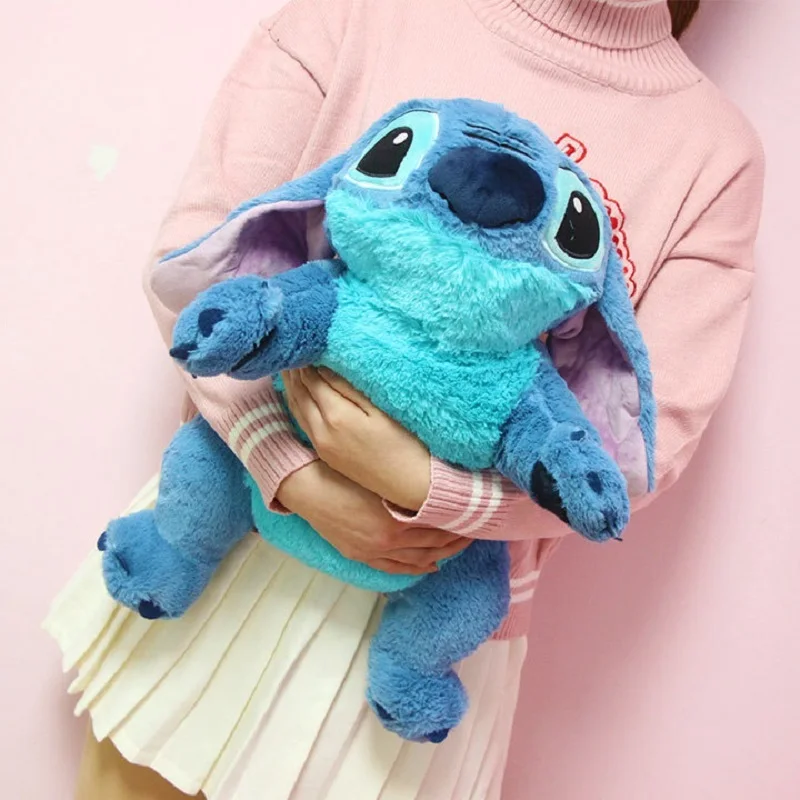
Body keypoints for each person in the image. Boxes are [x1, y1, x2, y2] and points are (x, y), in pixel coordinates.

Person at [46, 0, 764, 798]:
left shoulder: (712, 154)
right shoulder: (366, 10)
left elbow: (643, 448)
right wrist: (287, 470)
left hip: (431, 626)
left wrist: (430, 491)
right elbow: (201, 259)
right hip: (220, 546)